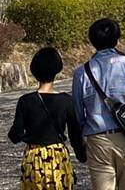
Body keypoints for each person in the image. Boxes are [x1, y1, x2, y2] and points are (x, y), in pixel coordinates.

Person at [72, 18, 125, 190]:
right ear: (117, 39)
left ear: (92, 41)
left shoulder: (81, 73)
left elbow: (77, 112)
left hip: (98, 140)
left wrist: (83, 139)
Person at [8, 46, 86, 190]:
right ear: (57, 70)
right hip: (58, 157)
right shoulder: (66, 101)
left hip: (34, 158)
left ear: (34, 71)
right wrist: (82, 155)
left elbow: (15, 135)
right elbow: (75, 134)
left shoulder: (26, 100)